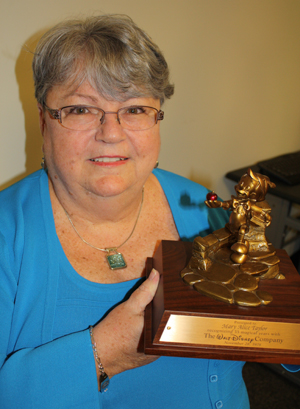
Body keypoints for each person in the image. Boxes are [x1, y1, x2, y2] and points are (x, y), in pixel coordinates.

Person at [0, 14, 298, 409]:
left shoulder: (202, 206)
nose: (111, 132)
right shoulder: (8, 236)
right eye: (81, 109)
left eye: (135, 109)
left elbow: (268, 334)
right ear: (44, 119)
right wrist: (103, 354)